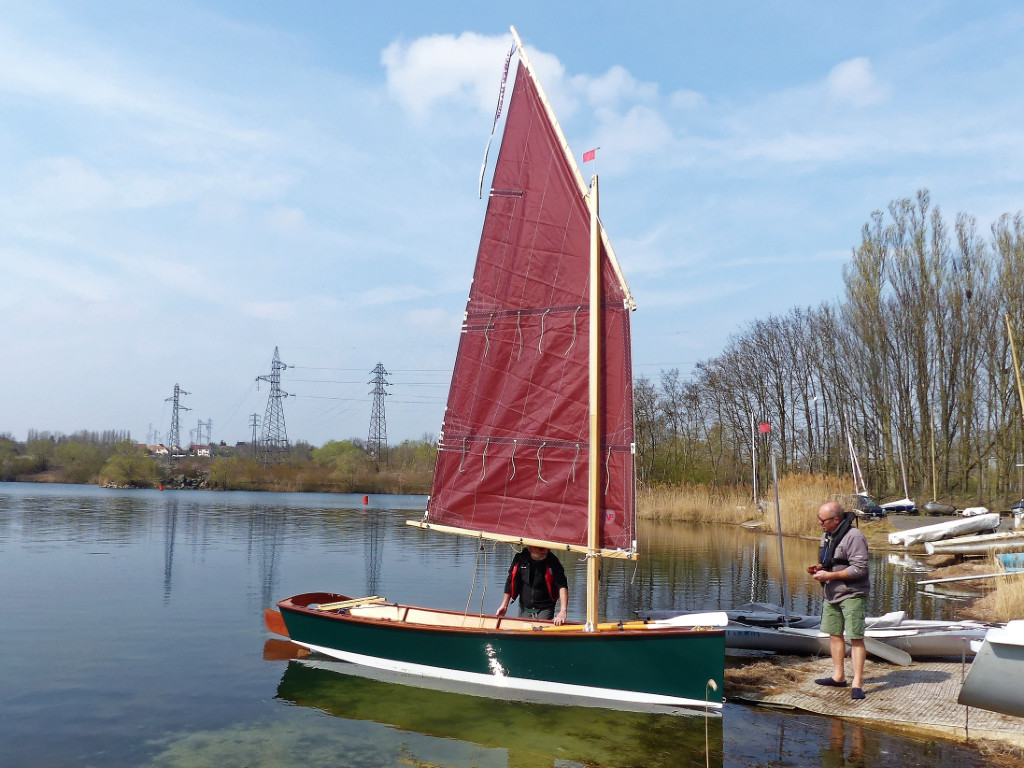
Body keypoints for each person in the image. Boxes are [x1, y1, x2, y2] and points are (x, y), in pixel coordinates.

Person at [811, 500, 870, 700]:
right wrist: (821, 568)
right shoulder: (828, 535)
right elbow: (831, 562)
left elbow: (860, 568)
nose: (820, 523)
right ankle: (838, 677)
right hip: (832, 594)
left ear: (836, 519)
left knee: (855, 637)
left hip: (853, 594)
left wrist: (830, 576)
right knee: (834, 634)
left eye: (823, 520)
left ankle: (857, 684)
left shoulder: (855, 537)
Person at [496, 545, 569, 625]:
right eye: (541, 548)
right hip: (524, 608)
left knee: (540, 634)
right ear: (531, 547)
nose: (545, 550)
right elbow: (510, 581)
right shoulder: (520, 558)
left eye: (547, 548)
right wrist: (504, 605)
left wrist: (563, 611)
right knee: (522, 634)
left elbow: (562, 585)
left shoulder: (552, 561)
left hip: (545, 609)